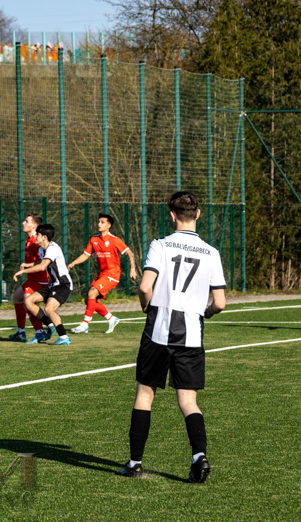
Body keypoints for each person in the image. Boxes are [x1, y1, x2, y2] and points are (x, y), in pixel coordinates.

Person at [117, 191, 225, 483]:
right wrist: (207, 313)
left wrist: (145, 305)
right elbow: (220, 303)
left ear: (172, 215)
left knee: (145, 393)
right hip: (191, 335)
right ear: (198, 214)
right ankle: (199, 456)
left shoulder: (160, 245)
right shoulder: (211, 252)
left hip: (159, 330)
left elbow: (145, 287)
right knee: (188, 400)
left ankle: (135, 463)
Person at [66, 213, 138, 334]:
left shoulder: (115, 240)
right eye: (98, 222)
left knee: (92, 292)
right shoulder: (94, 240)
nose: (99, 224)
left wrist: (133, 269)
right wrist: (74, 263)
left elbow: (130, 253)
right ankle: (111, 318)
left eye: (102, 222)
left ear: (109, 225)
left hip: (113, 274)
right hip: (102, 274)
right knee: (89, 300)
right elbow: (86, 255)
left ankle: (84, 324)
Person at [13, 223, 73, 345]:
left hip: (62, 284)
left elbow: (42, 266)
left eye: (37, 235)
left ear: (44, 237)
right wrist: (28, 265)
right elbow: (42, 261)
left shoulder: (53, 248)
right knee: (28, 301)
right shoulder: (41, 249)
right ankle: (50, 325)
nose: (35, 236)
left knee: (49, 309)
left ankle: (64, 337)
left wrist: (23, 271)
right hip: (52, 285)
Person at [8, 212, 50, 342]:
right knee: (17, 297)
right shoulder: (30, 239)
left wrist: (27, 266)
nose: (23, 223)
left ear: (34, 225)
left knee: (28, 302)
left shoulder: (36, 242)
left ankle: (41, 330)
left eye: (26, 221)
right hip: (32, 279)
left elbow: (43, 261)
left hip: (40, 280)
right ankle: (21, 332)